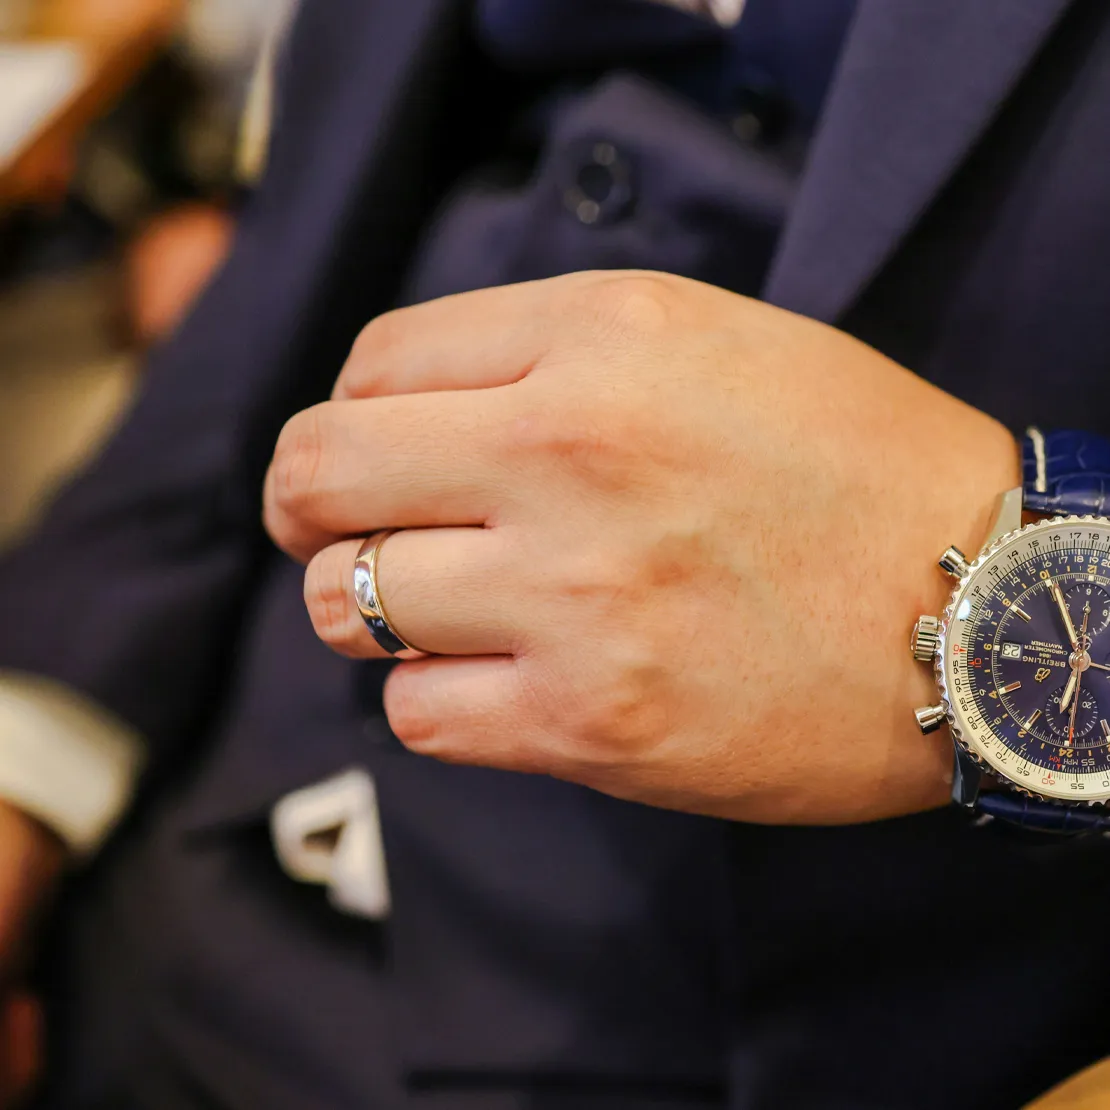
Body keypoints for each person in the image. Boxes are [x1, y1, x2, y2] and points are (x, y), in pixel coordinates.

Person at [3, 0, 1110, 1107]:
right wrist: (30, 750)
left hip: (783, 1023)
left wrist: (1035, 574)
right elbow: (284, 261)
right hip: (171, 871)